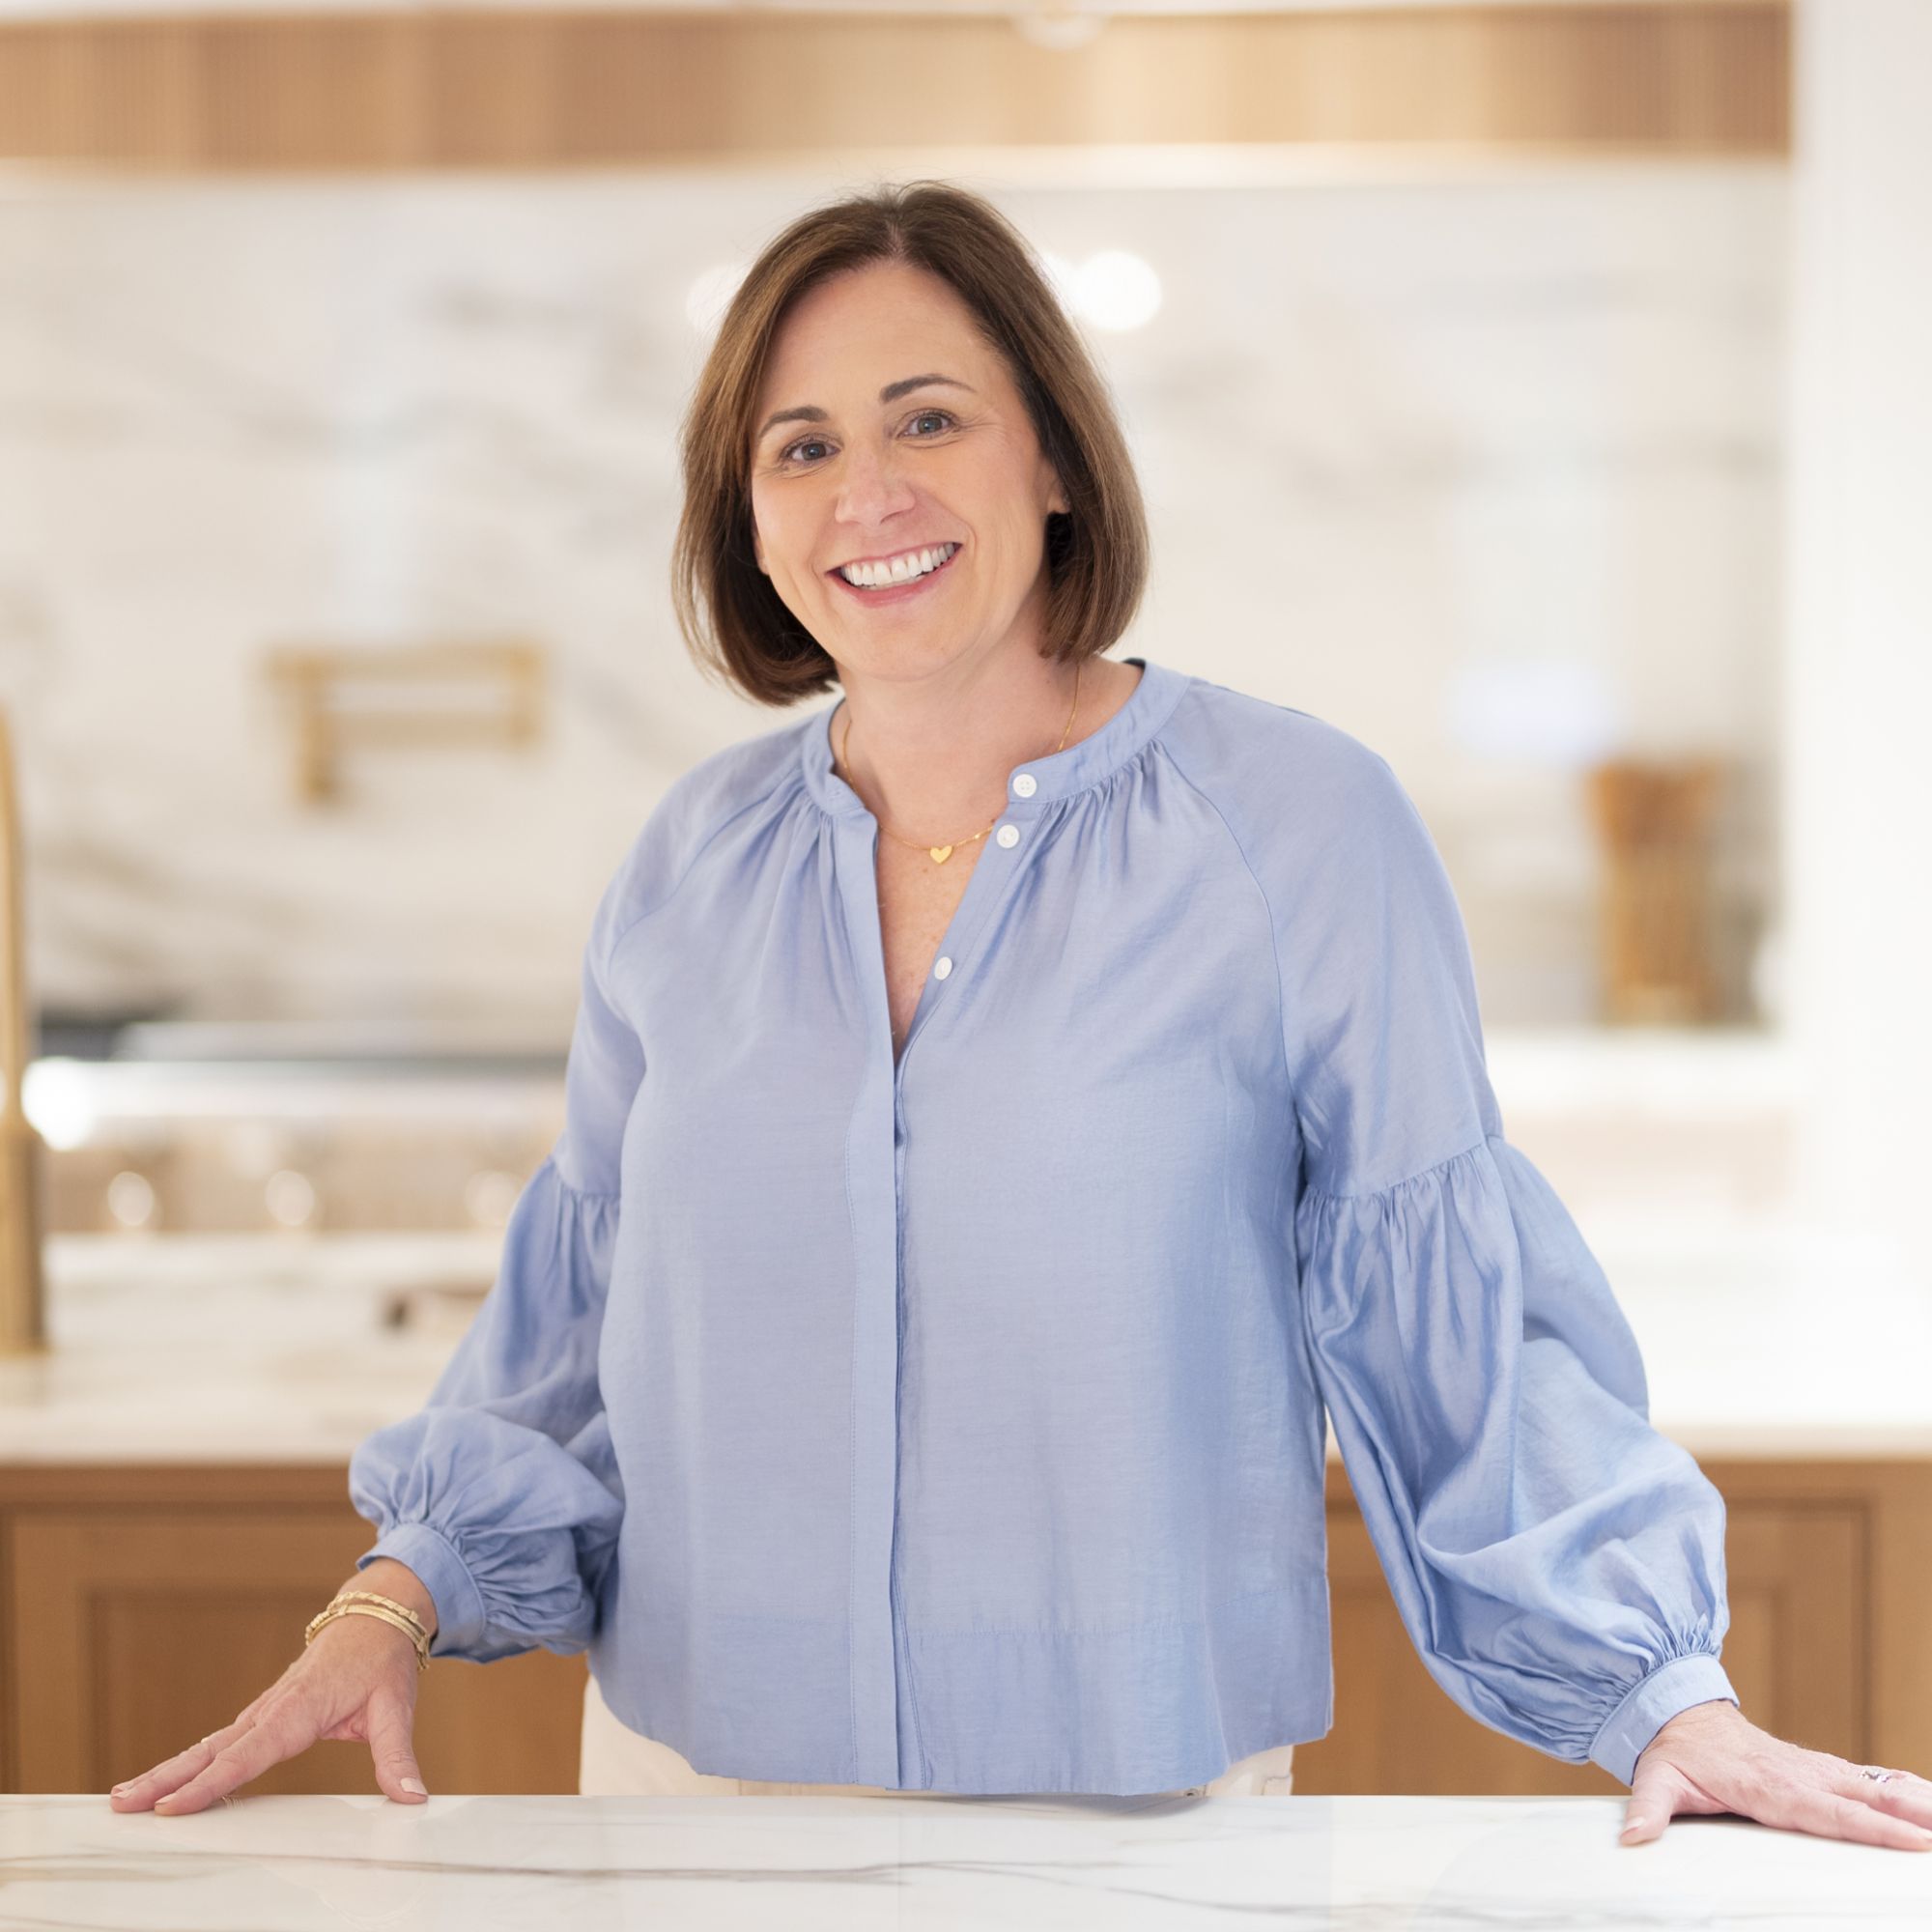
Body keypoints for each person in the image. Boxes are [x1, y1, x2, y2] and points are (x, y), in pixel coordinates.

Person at [110, 180, 1930, 1847]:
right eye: (800, 445)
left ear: (1054, 458)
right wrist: (389, 1596)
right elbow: (583, 1317)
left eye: (928, 418)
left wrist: (1658, 1690)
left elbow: (1453, 1313)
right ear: (746, 520)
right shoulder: (688, 863)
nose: (866, 494)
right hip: (685, 1794)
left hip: (1129, 1810)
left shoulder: (1297, 829)